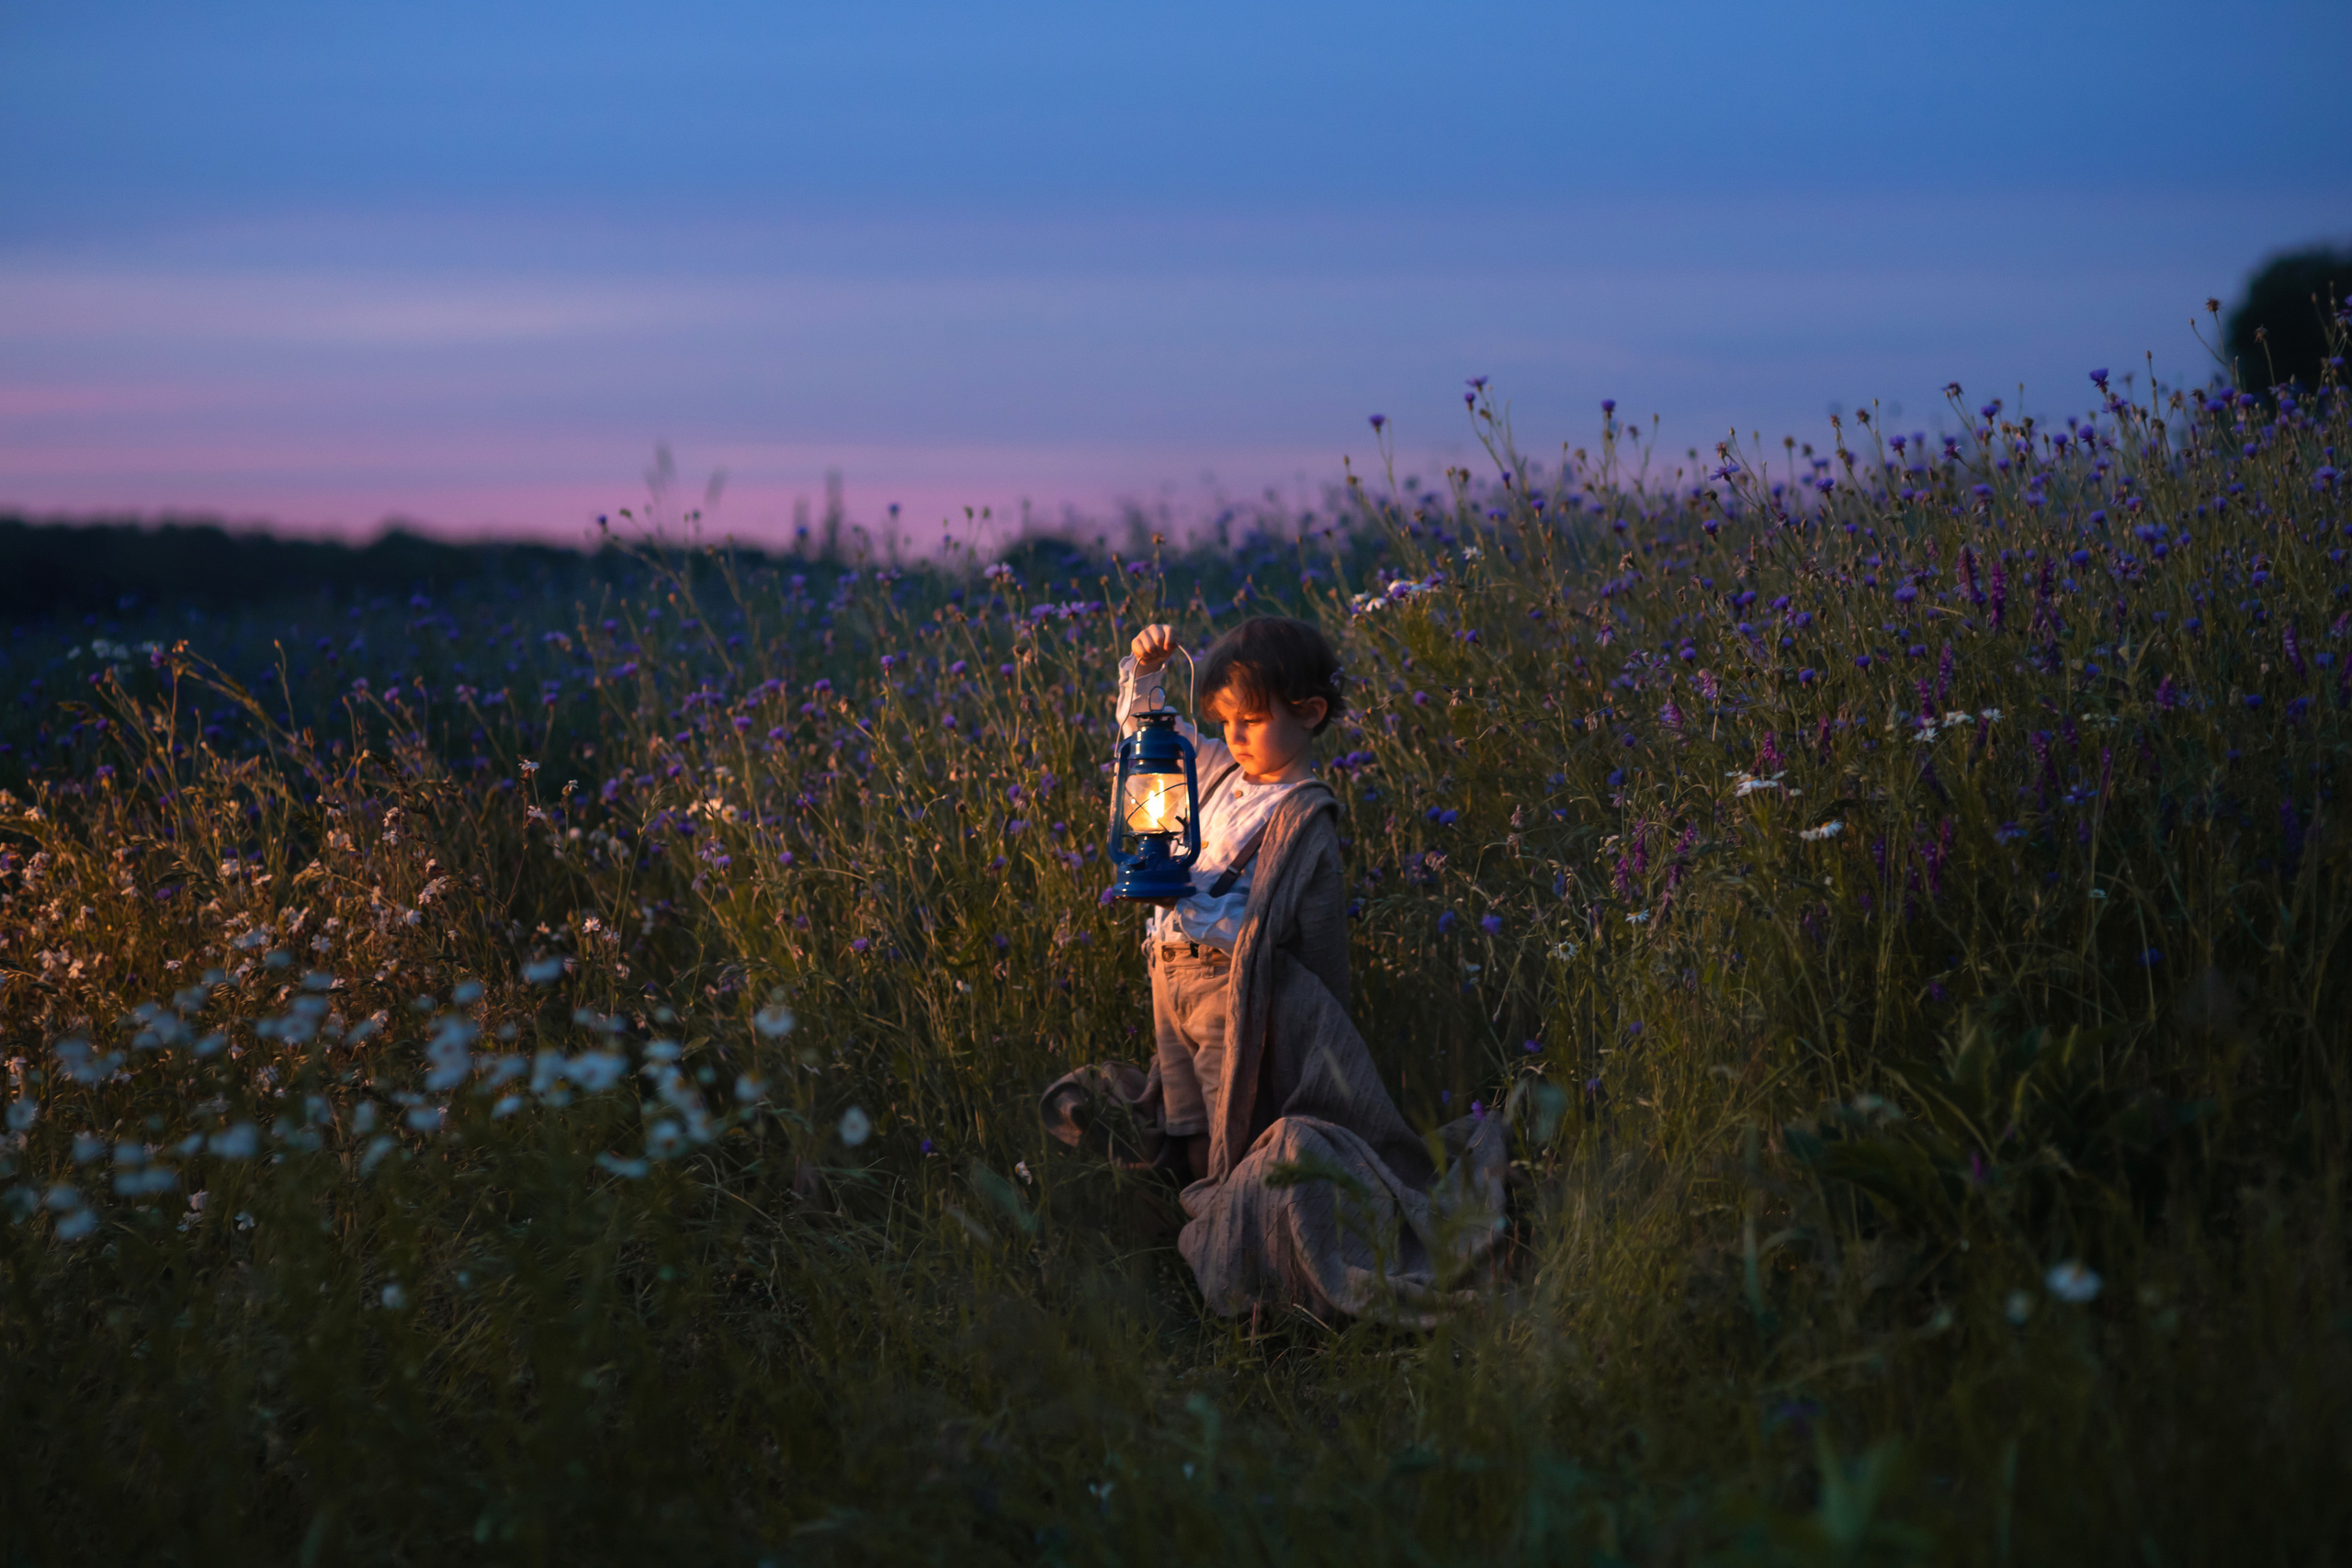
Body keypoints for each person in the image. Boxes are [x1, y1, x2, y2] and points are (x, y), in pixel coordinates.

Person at [1117, 615, 1348, 1182]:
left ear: (1310, 713)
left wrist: (1185, 895)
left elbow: (1295, 928)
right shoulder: (1217, 769)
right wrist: (1146, 671)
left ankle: (1235, 1233)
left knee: (1231, 1125)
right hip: (1167, 975)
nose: (1235, 736)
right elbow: (1143, 734)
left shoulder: (1300, 810)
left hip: (1227, 983)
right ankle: (1193, 1237)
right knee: (1186, 1122)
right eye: (1224, 721)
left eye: (1252, 720)